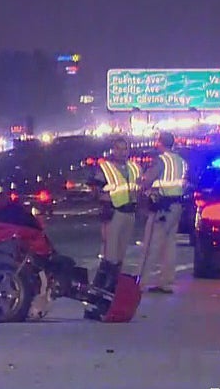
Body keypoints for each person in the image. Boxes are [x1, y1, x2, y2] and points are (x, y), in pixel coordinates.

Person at [84, 136, 141, 318]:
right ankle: (96, 301)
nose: (122, 152)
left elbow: (141, 188)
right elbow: (93, 188)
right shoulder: (105, 168)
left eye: (125, 149)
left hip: (129, 214)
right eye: (118, 149)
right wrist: (103, 199)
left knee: (119, 260)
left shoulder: (134, 168)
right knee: (109, 259)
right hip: (114, 214)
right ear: (113, 150)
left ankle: (111, 298)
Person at [137, 131, 188, 294]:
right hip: (176, 205)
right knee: (169, 245)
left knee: (152, 244)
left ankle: (141, 282)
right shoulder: (181, 161)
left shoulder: (160, 161)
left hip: (162, 207)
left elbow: (147, 181)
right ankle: (166, 281)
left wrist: (141, 181)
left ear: (160, 142)